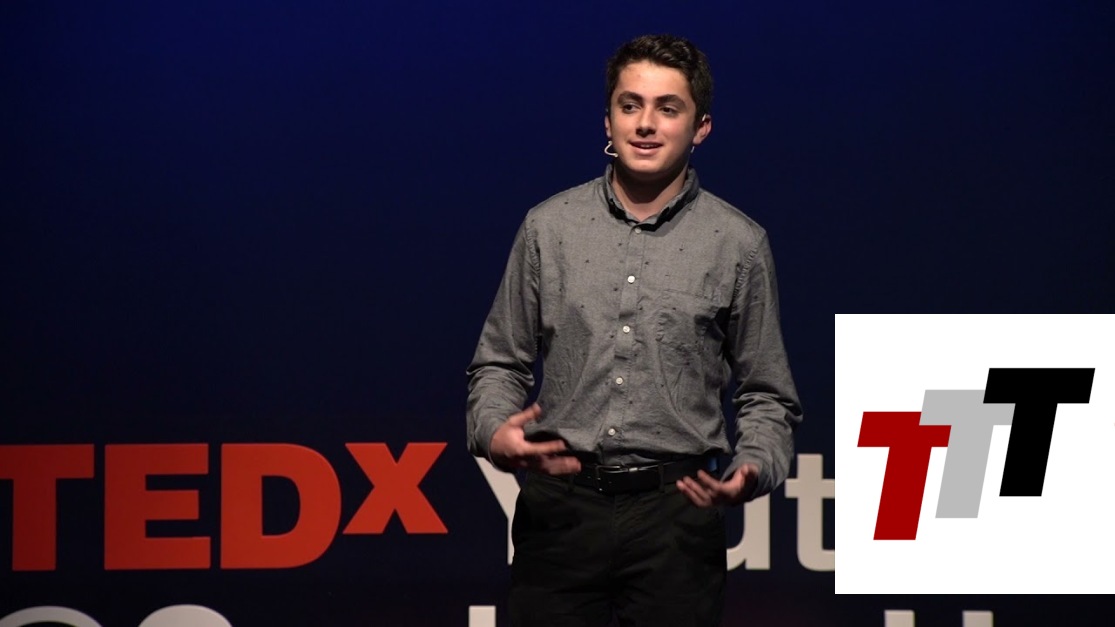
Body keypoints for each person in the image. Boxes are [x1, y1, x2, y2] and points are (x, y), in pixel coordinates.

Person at [466, 34, 802, 627]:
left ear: (700, 128)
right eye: (630, 105)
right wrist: (494, 431)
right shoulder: (549, 227)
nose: (645, 124)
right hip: (560, 512)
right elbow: (499, 362)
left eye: (667, 108)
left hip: (677, 519)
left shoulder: (738, 244)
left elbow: (766, 395)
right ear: (608, 119)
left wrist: (752, 468)